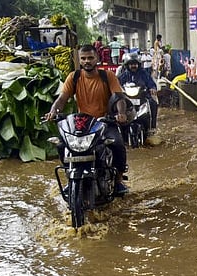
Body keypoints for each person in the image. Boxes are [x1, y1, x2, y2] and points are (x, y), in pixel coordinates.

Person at [44, 44, 130, 195]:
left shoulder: (107, 76)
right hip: (83, 124)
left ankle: (118, 181)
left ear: (97, 58)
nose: (87, 61)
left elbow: (119, 98)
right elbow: (62, 99)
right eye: (83, 58)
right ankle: (71, 178)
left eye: (90, 58)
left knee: (117, 144)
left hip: (104, 122)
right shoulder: (74, 77)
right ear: (79, 60)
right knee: (62, 145)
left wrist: (121, 113)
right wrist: (53, 112)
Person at [118, 56, 158, 136]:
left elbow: (151, 83)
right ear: (127, 65)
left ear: (138, 65)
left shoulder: (143, 73)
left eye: (135, 64)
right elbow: (117, 84)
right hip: (128, 97)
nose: (133, 66)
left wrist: (152, 88)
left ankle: (152, 126)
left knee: (153, 103)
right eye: (131, 64)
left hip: (142, 96)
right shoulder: (124, 75)